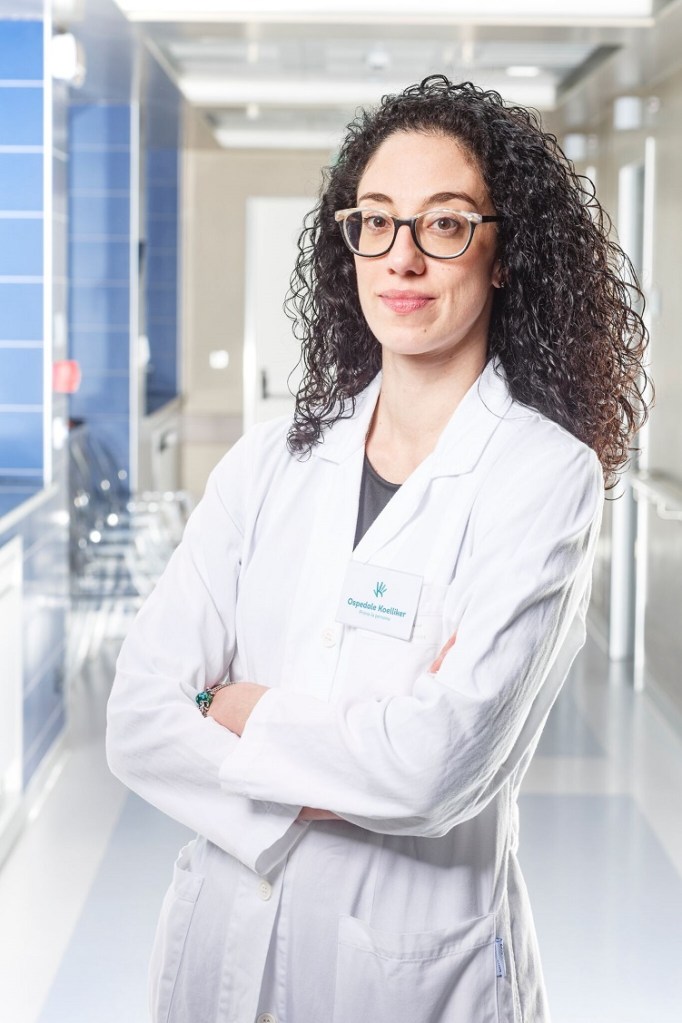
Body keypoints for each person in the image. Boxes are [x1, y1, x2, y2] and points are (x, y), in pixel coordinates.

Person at [106, 75, 650, 1023]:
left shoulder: (541, 476)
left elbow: (433, 769)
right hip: (220, 953)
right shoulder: (270, 462)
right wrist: (354, 751)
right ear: (349, 239)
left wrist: (237, 707)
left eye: (444, 224)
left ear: (504, 254)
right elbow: (139, 718)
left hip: (410, 973)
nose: (402, 256)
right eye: (377, 220)